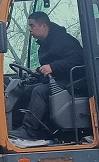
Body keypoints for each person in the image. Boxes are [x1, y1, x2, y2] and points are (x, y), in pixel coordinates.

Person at [10, 11, 85, 140]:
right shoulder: (45, 44)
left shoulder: (63, 40)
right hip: (58, 77)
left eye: (32, 26)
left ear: (44, 26)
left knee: (39, 91)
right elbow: (51, 62)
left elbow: (78, 59)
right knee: (27, 90)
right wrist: (39, 70)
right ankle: (16, 128)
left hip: (73, 79)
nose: (30, 30)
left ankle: (30, 131)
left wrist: (52, 67)